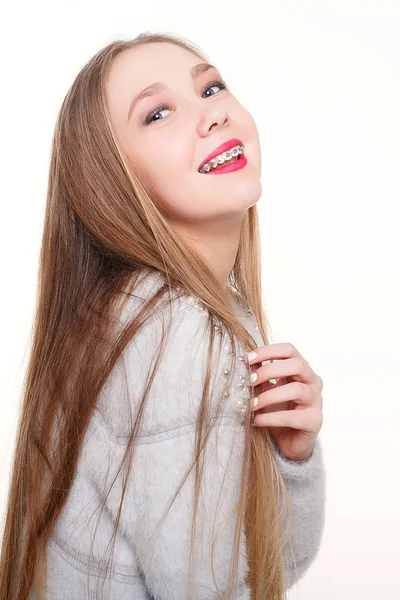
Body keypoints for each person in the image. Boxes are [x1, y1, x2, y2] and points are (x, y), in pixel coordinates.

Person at [0, 32, 326, 600]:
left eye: (212, 87)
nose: (212, 115)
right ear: (113, 185)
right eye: (157, 113)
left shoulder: (140, 313)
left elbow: (269, 570)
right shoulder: (174, 329)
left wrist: (289, 458)